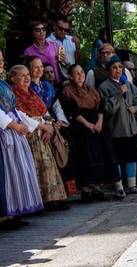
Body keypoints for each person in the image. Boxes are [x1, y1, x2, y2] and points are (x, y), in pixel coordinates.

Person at [9, 65, 69, 210]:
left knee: (48, 165)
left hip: (43, 133)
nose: (27, 78)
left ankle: (53, 198)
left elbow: (45, 111)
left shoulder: (32, 93)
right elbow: (20, 116)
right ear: (12, 78)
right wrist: (42, 126)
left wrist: (48, 127)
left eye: (27, 75)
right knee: (36, 167)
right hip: (29, 135)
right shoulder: (13, 95)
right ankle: (40, 201)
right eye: (22, 76)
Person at [61, 64, 120, 202]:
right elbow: (72, 110)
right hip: (81, 127)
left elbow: (100, 107)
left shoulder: (91, 89)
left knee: (100, 154)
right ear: (70, 76)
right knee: (87, 156)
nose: (80, 76)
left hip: (97, 125)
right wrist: (88, 124)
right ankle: (87, 191)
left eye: (82, 72)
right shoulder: (67, 91)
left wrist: (99, 122)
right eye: (76, 73)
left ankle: (97, 189)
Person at [0, 50, 43, 229]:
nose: (1, 63)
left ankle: (14, 213)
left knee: (15, 172)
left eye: (2, 60)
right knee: (6, 174)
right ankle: (4, 215)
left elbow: (13, 109)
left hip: (13, 132)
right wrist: (14, 125)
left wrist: (26, 124)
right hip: (5, 133)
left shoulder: (3, 84)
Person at [26, 56, 74, 195]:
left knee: (65, 148)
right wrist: (46, 126)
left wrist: (59, 121)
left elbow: (56, 104)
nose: (40, 69)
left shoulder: (48, 85)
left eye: (41, 66)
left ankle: (64, 192)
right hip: (37, 126)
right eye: (36, 67)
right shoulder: (27, 86)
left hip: (52, 121)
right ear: (29, 69)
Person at [99, 55, 137, 197]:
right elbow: (107, 109)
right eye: (114, 68)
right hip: (116, 129)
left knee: (132, 156)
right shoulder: (103, 87)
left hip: (131, 127)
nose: (118, 70)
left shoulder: (129, 84)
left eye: (120, 67)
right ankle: (119, 187)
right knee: (117, 158)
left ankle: (132, 185)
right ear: (108, 70)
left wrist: (136, 109)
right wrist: (119, 93)